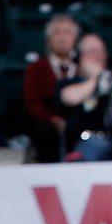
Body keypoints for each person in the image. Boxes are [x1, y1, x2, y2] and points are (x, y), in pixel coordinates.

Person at [18, 12, 81, 162]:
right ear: (48, 40)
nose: (62, 38)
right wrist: (51, 118)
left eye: (67, 33)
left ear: (75, 39)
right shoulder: (36, 69)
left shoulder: (81, 67)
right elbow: (31, 102)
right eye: (57, 33)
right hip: (46, 125)